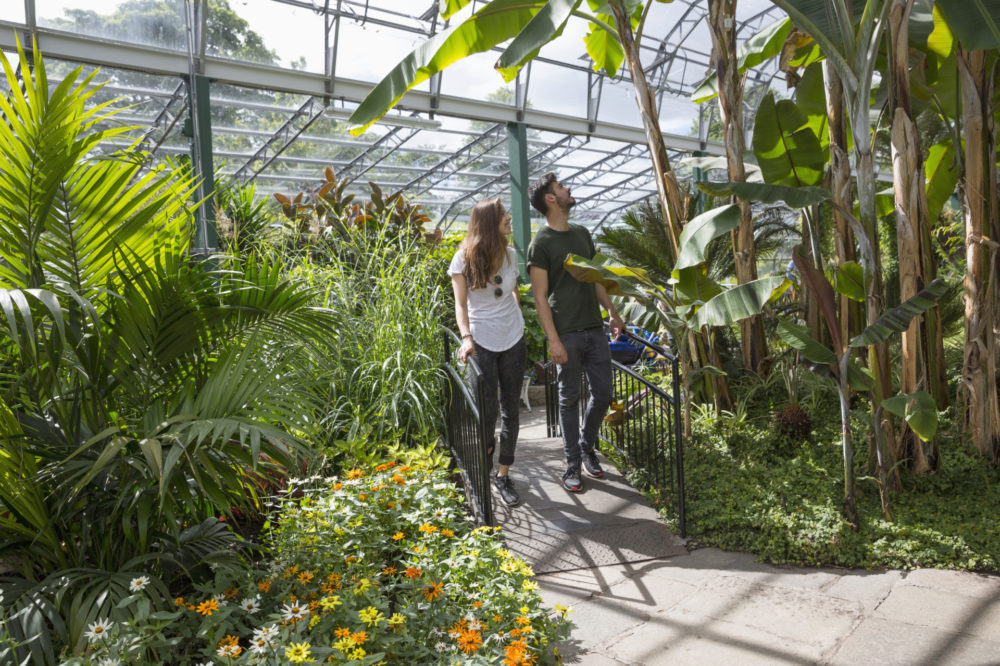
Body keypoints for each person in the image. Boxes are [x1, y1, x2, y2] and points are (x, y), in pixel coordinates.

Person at [526, 173, 623, 492]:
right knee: (568, 399)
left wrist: (612, 311)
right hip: (565, 332)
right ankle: (571, 462)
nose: (568, 189)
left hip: (594, 328)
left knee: (604, 393)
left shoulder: (582, 234)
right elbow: (540, 295)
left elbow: (595, 278)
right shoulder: (540, 243)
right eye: (561, 188)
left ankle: (586, 445)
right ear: (551, 199)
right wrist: (553, 339)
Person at [450, 198, 526, 507]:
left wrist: (517, 319)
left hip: (513, 338)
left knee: (511, 410)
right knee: (487, 412)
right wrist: (465, 337)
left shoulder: (510, 255)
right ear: (488, 223)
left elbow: (513, 291)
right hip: (480, 340)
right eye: (503, 215)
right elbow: (460, 304)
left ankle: (503, 475)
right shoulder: (462, 258)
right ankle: (485, 458)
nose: (510, 218)